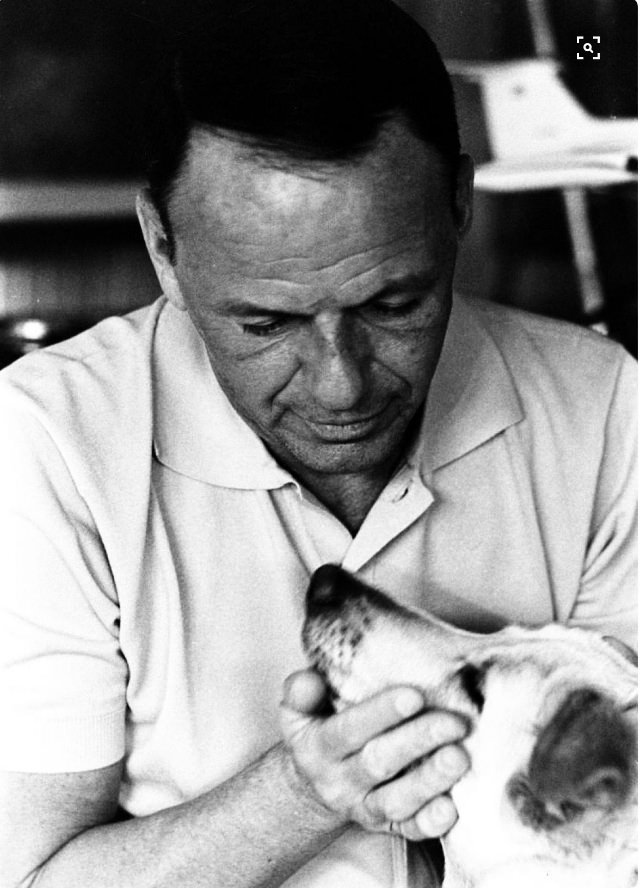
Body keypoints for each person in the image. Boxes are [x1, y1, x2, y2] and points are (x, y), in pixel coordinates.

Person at [0, 1, 635, 886]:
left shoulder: (604, 408)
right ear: (163, 247)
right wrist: (302, 794)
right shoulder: (46, 447)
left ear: (458, 203)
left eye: (393, 304)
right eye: (265, 321)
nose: (342, 384)